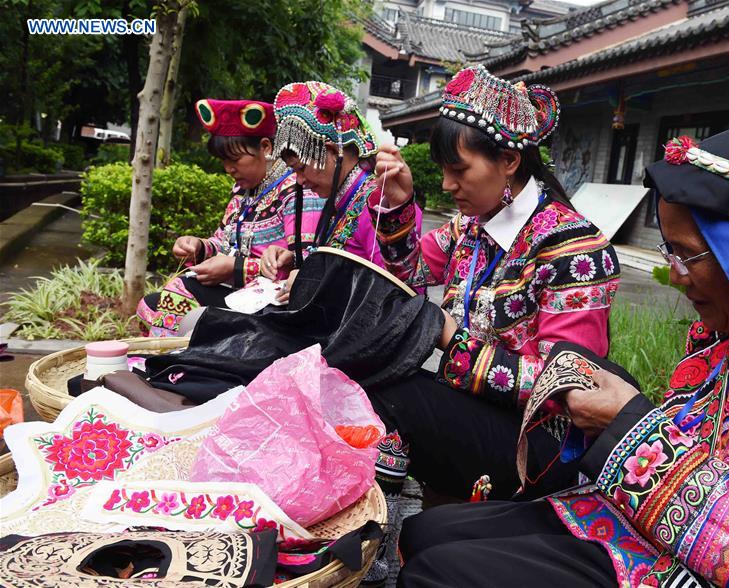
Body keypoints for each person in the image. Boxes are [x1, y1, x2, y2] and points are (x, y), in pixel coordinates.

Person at [397, 114, 729, 588]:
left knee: (442, 570)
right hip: (666, 528)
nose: (675, 276)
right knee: (427, 533)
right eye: (669, 252)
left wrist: (628, 425)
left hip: (725, 566)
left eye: (688, 255)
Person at [362, 65, 621, 583]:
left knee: (396, 395)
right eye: (443, 171)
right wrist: (400, 204)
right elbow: (410, 273)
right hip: (476, 409)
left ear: (509, 160)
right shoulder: (471, 227)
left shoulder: (575, 250)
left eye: (459, 170)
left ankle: (373, 549)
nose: (447, 185)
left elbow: (568, 387)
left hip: (540, 443)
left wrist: (451, 338)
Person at [137, 99, 300, 336]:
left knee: (179, 292)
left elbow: (301, 263)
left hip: (273, 301)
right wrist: (198, 247)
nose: (228, 169)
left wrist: (235, 268)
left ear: (265, 147)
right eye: (224, 161)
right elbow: (223, 241)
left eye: (235, 159)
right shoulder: (242, 192)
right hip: (239, 291)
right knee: (148, 306)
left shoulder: (294, 190)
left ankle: (170, 359)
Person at [258, 81, 402, 300]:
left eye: (302, 168)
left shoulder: (379, 204)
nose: (299, 181)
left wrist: (311, 283)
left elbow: (391, 294)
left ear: (333, 152)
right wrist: (294, 262)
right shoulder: (345, 200)